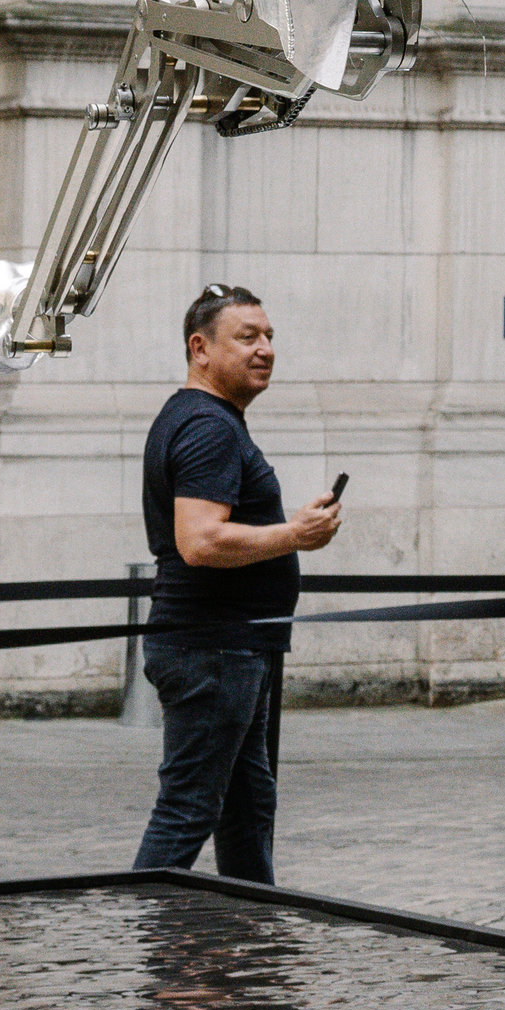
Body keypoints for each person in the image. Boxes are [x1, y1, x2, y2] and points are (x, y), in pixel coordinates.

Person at [136, 285, 341, 885]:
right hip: (214, 648)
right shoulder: (208, 427)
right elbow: (199, 540)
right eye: (247, 337)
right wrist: (294, 534)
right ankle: (144, 940)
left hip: (230, 646)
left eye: (270, 336)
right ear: (200, 349)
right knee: (188, 810)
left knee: (248, 809)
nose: (265, 349)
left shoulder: (204, 419)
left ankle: (251, 943)